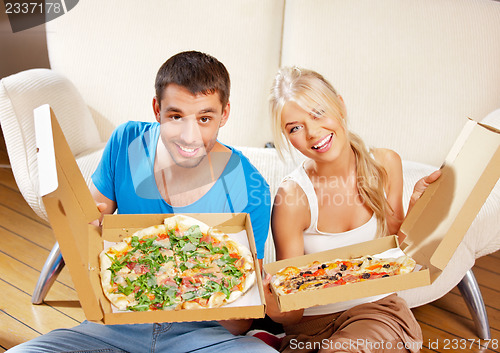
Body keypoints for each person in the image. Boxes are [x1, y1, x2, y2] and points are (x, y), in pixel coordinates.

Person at [8, 51, 276, 353]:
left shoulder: (252, 188)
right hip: (117, 323)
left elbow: (238, 324)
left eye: (204, 118)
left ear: (224, 114)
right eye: (176, 116)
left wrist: (224, 293)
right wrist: (84, 229)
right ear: (156, 109)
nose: (190, 137)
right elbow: (92, 229)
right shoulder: (127, 141)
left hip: (202, 336)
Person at [263, 67, 441, 353]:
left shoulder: (385, 164)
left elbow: (396, 256)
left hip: (377, 313)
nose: (312, 132)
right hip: (310, 330)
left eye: (318, 113)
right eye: (294, 127)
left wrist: (417, 212)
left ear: (340, 106)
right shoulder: (293, 197)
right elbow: (293, 312)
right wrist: (274, 306)